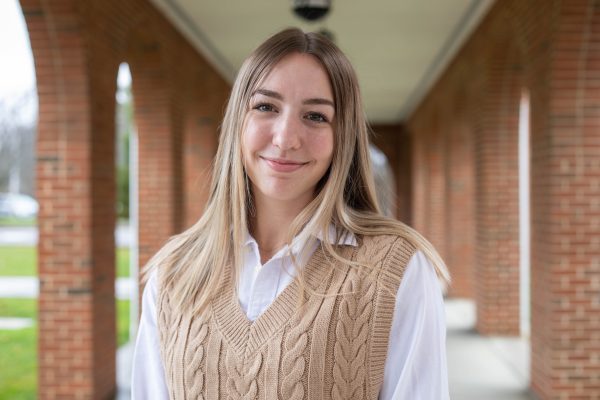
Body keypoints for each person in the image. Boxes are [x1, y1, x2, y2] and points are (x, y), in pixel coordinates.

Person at [132, 27, 450, 400]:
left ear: (342, 136)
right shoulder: (173, 273)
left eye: (315, 116)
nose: (285, 138)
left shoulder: (396, 270)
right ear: (238, 121)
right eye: (266, 107)